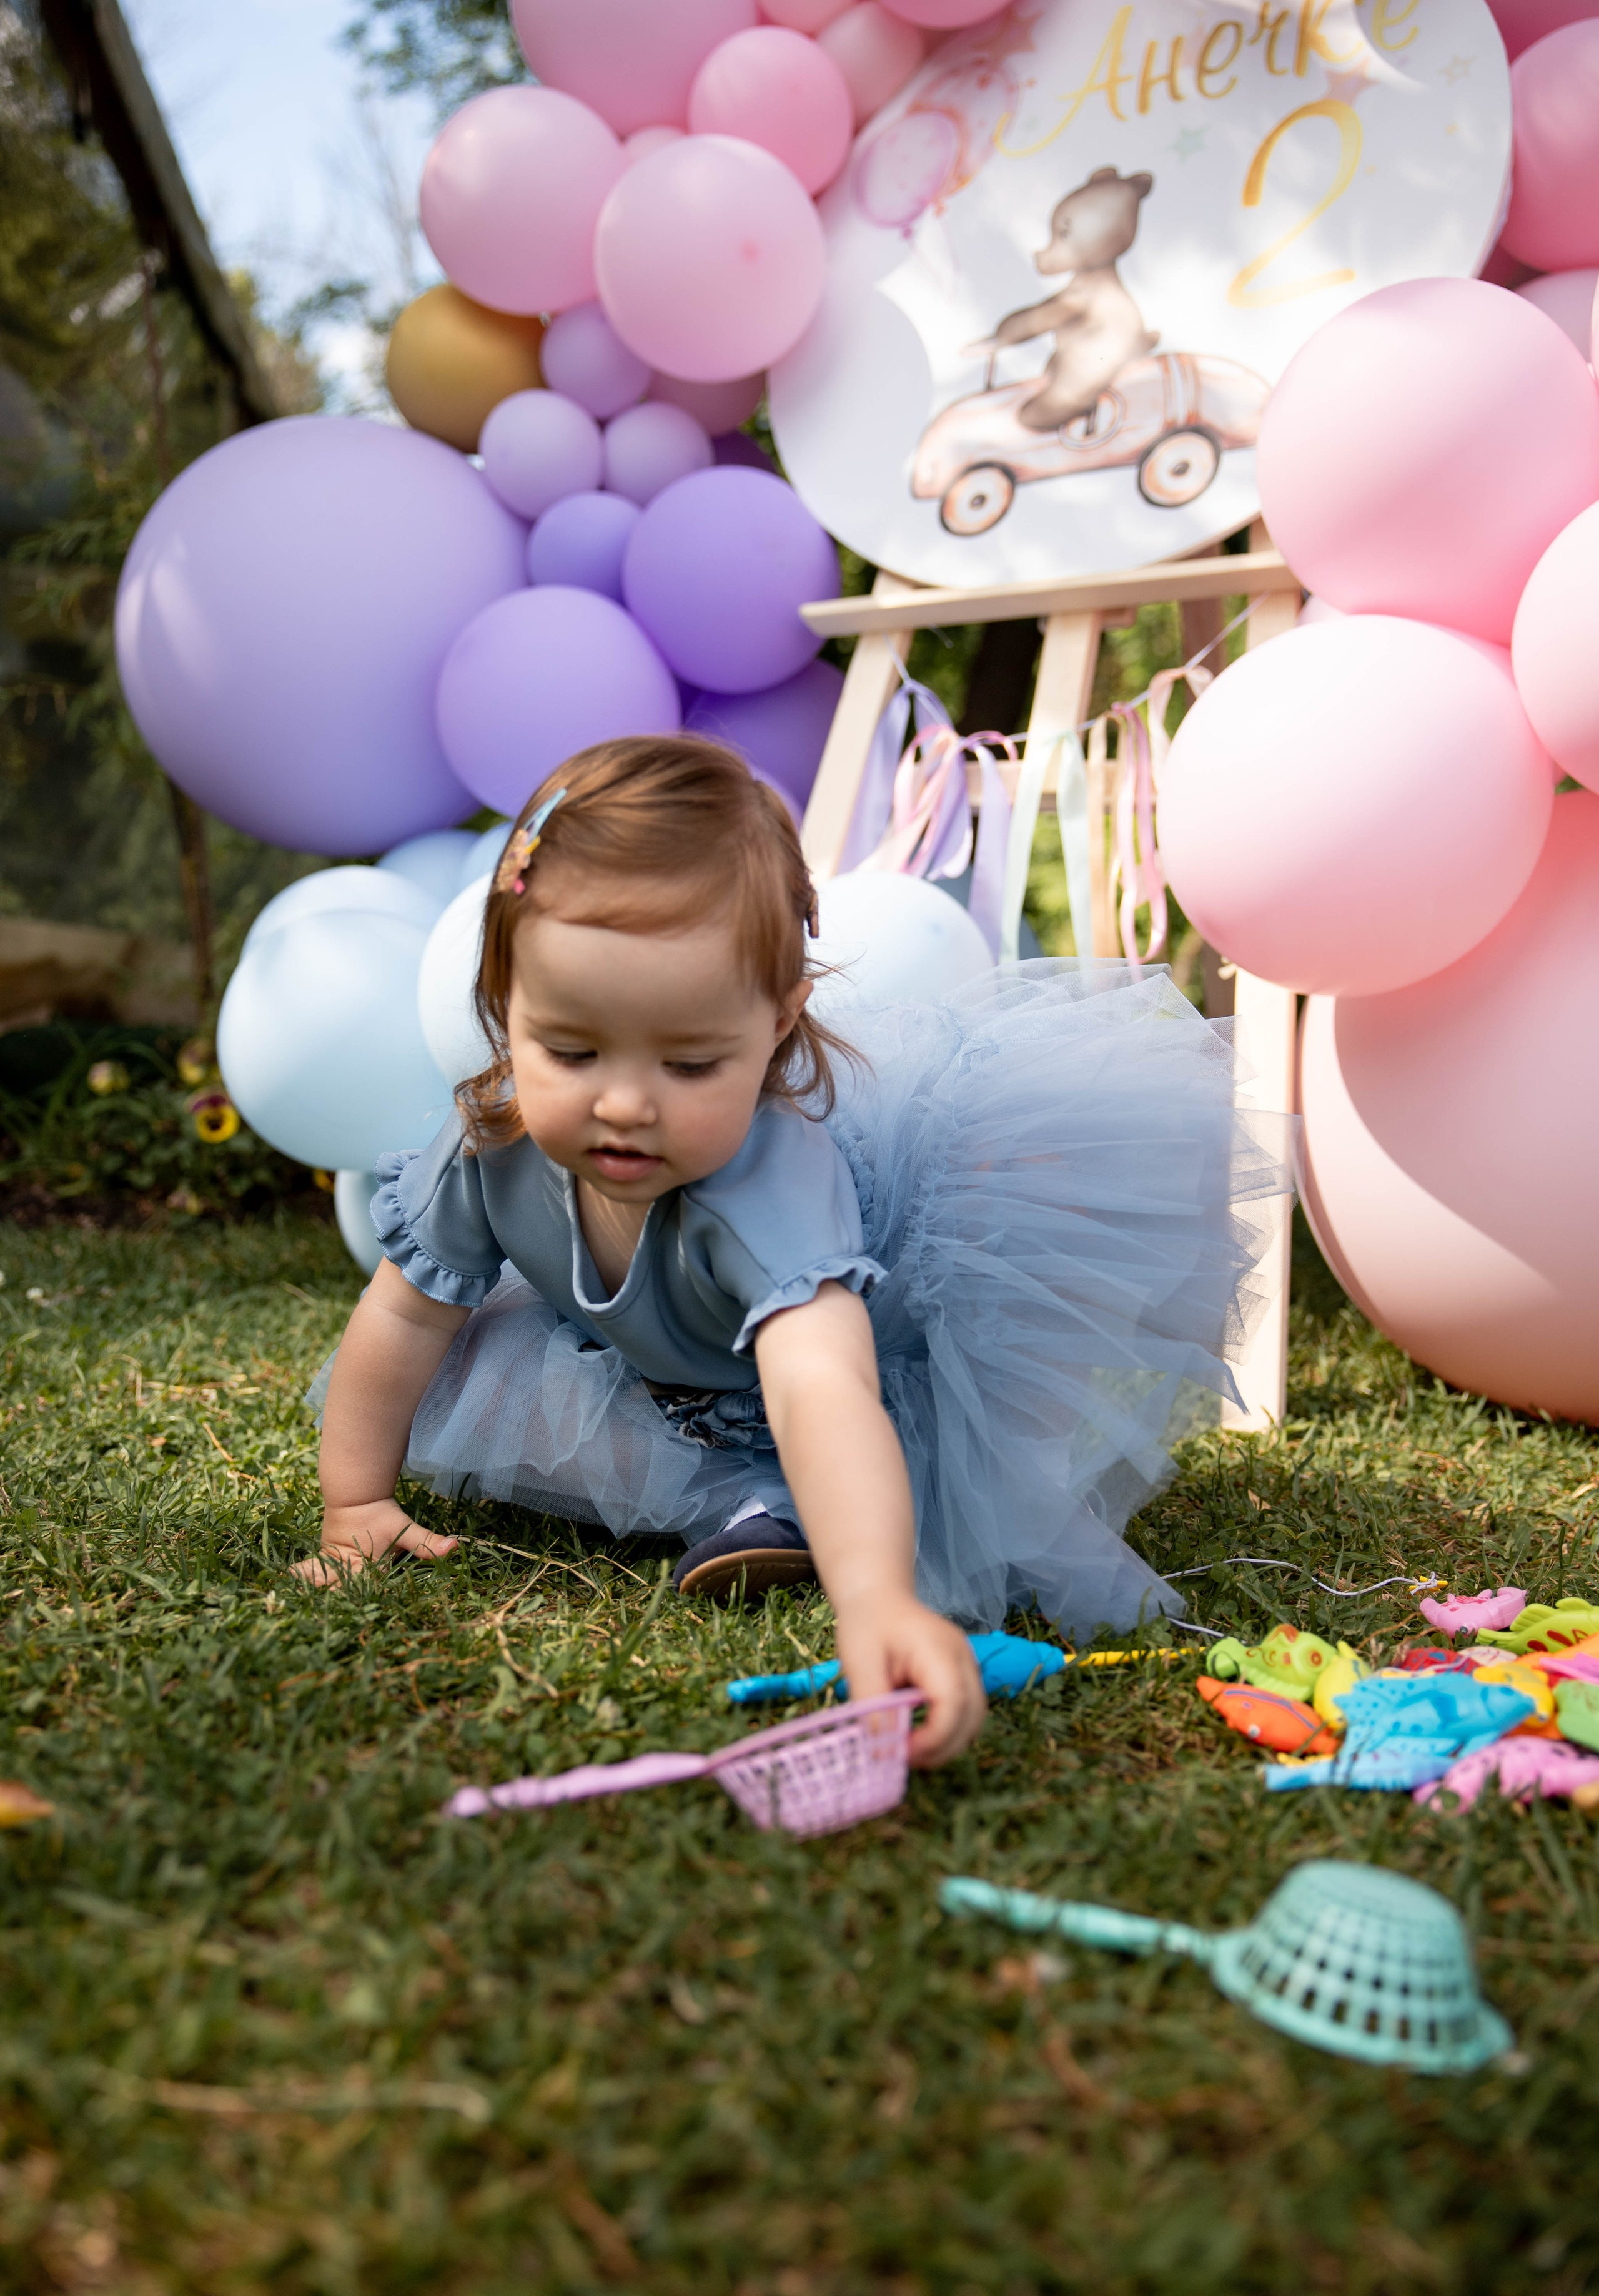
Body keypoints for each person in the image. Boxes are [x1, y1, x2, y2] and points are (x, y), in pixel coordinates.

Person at [302, 735, 1282, 1769]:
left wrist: (876, 1602)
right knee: (481, 1382)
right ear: (506, 1011)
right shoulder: (491, 1146)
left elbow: (821, 1388)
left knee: (894, 1448)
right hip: (674, 1374)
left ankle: (797, 1502)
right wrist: (355, 1500)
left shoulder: (767, 1187)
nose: (625, 1103)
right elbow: (405, 1313)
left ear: (776, 1026)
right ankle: (745, 1497)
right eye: (572, 1050)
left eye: (690, 1061)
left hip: (863, 1354)